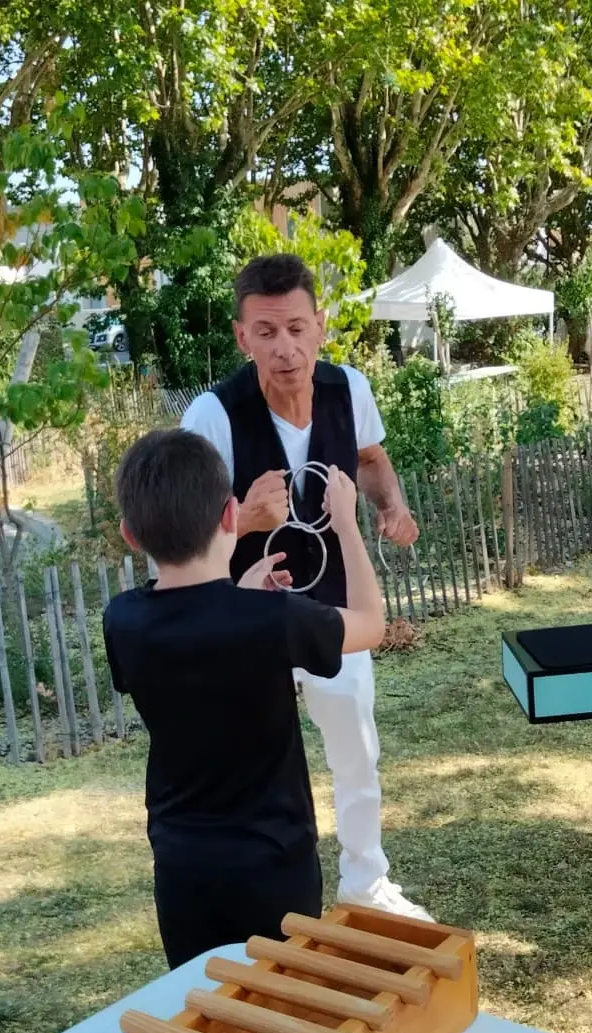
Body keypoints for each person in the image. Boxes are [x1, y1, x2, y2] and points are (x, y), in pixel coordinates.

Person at [181, 253, 432, 921]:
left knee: (356, 747)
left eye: (296, 328)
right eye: (266, 332)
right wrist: (245, 520)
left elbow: (370, 459)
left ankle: (365, 881)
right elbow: (182, 540)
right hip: (245, 617)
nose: (284, 348)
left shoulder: (350, 388)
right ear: (242, 337)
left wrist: (391, 505)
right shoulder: (211, 416)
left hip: (336, 607)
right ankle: (256, 898)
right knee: (250, 764)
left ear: (320, 325)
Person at [102, 427, 386, 969]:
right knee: (280, 1004)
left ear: (130, 536)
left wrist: (239, 596)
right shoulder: (272, 620)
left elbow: (198, 637)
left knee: (204, 1003)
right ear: (231, 515)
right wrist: (346, 524)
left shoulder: (122, 620)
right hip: (273, 866)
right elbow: (371, 625)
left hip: (182, 868)